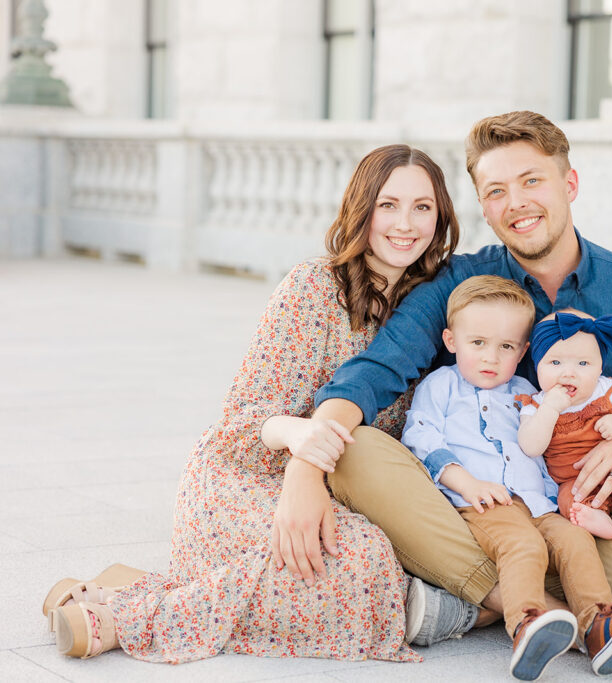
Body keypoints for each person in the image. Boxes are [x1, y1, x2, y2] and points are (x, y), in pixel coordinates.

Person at [305, 110, 612, 664]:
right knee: (358, 449)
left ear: (570, 184)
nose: (516, 203)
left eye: (531, 181)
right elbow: (377, 369)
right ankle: (578, 612)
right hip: (487, 513)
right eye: (496, 191)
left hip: (602, 517)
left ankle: (478, 604)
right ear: (484, 207)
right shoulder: (459, 281)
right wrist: (307, 465)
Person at [42, 144, 477, 662]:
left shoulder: (442, 308)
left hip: (355, 493)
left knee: (385, 557)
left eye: (422, 207)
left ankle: (132, 588)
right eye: (389, 205)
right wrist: (300, 439)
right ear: (362, 209)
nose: (405, 223)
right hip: (248, 477)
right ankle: (126, 616)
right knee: (360, 559)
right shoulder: (313, 287)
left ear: (441, 214)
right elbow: (243, 417)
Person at [401, 275, 612, 679]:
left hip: (539, 500)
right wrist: (466, 484)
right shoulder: (442, 386)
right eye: (478, 344)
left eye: (505, 347)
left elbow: (550, 444)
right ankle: (527, 623)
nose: (491, 358)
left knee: (575, 540)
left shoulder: (527, 392)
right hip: (486, 502)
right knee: (524, 546)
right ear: (451, 341)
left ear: (523, 351)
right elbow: (420, 436)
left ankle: (600, 623)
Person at [517, 309, 612, 541]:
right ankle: (594, 516)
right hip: (575, 480)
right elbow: (531, 446)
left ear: (599, 368)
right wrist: (550, 409)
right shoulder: (536, 405)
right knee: (568, 499)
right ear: (537, 365)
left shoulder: (607, 390)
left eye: (583, 363)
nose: (569, 373)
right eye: (555, 362)